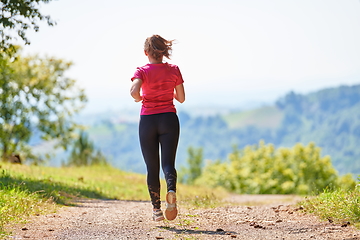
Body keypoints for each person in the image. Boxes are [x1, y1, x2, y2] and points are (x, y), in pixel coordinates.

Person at [130, 34, 185, 221]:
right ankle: (171, 191)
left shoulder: (142, 71)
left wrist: (140, 98)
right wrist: (169, 92)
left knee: (151, 168)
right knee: (168, 164)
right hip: (169, 119)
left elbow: (134, 91)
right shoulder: (174, 70)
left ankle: (157, 210)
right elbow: (182, 98)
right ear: (164, 52)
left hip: (148, 121)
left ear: (146, 53)